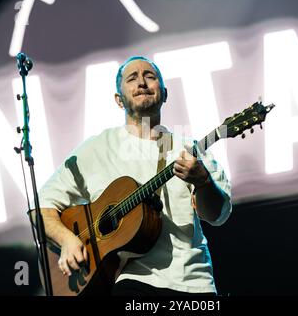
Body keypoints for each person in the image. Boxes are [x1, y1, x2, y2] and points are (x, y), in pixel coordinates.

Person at [38, 56, 232, 296]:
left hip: (192, 281)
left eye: (150, 76)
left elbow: (217, 216)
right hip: (130, 281)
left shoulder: (190, 150)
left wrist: (203, 181)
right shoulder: (97, 148)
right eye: (132, 78)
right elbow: (41, 208)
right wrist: (66, 240)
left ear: (164, 93)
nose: (142, 82)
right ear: (119, 100)